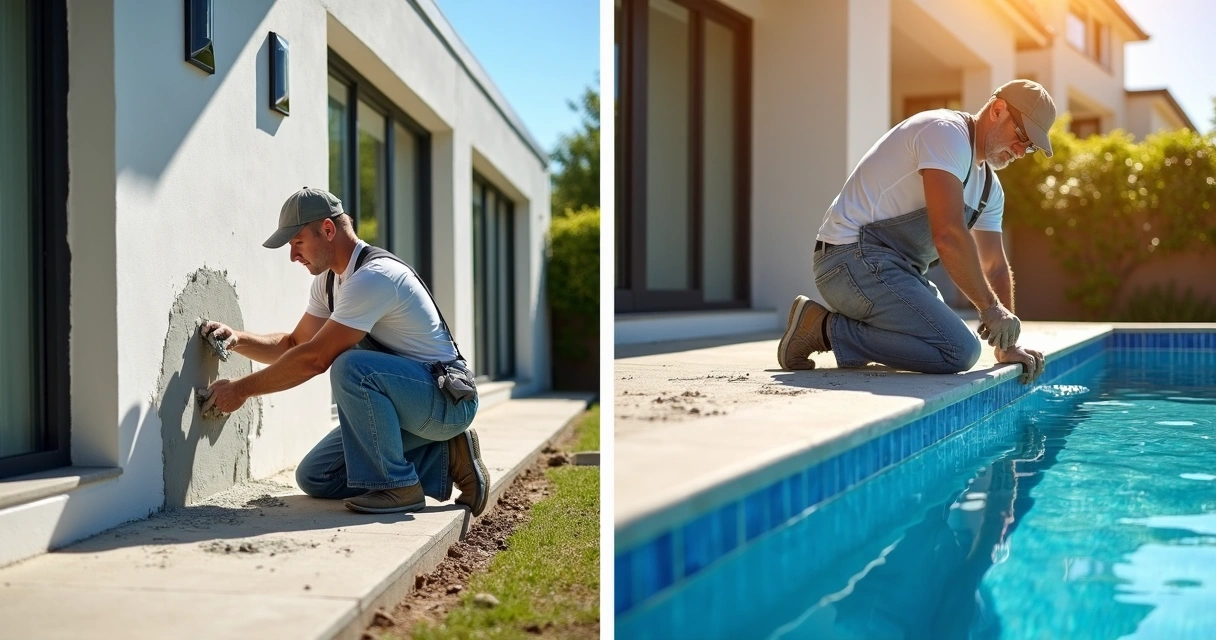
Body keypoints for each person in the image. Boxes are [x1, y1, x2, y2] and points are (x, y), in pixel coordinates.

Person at [200, 187, 489, 516]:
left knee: (352, 367)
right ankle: (450, 455)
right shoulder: (328, 282)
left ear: (327, 229)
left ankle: (397, 486)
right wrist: (238, 339)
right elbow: (295, 345)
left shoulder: (375, 277)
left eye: (297, 243)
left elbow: (315, 359)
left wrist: (240, 390)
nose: (293, 256)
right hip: (408, 403)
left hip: (447, 401)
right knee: (317, 476)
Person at [778, 80, 1052, 384]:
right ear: (998, 110)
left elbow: (995, 266)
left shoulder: (990, 189)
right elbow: (948, 234)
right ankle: (822, 329)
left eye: (1030, 146)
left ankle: (826, 328)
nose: (1021, 151)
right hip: (847, 262)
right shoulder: (945, 133)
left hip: (896, 274)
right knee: (958, 350)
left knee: (944, 339)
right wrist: (991, 308)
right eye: (1022, 136)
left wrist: (1007, 345)